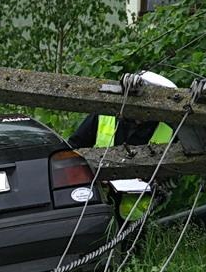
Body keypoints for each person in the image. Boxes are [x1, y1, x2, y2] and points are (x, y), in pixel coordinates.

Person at [68, 71, 175, 221]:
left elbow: (174, 169)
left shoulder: (168, 129)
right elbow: (73, 149)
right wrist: (91, 174)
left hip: (137, 213)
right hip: (98, 201)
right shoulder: (104, 115)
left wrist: (155, 179)